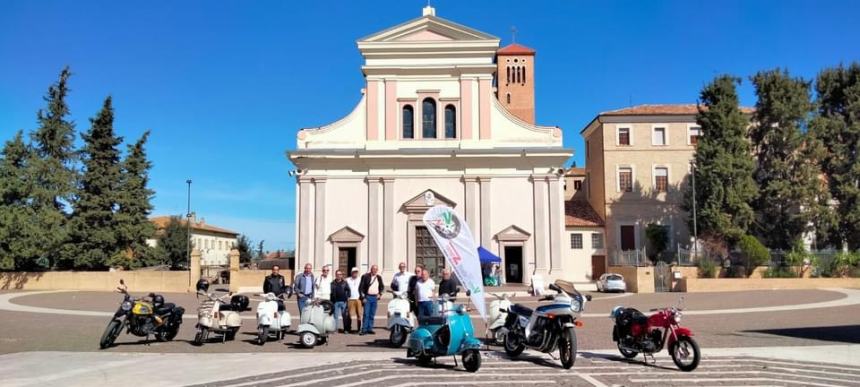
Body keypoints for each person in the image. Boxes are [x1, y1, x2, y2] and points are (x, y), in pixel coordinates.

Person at [359, 265, 384, 335]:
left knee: (372, 314)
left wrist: (380, 294)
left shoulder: (379, 277)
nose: (375, 270)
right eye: (373, 269)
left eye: (376, 269)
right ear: (371, 269)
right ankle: (364, 329)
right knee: (366, 314)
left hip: (375, 298)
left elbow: (382, 286)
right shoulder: (365, 276)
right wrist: (363, 297)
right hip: (367, 297)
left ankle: (370, 328)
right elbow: (361, 287)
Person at [345, 267, 363, 333]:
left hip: (358, 299)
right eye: (354, 272)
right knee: (349, 315)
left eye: (356, 272)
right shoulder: (347, 280)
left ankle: (359, 329)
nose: (355, 273)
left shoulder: (360, 279)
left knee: (359, 315)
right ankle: (348, 328)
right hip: (350, 299)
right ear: (351, 272)